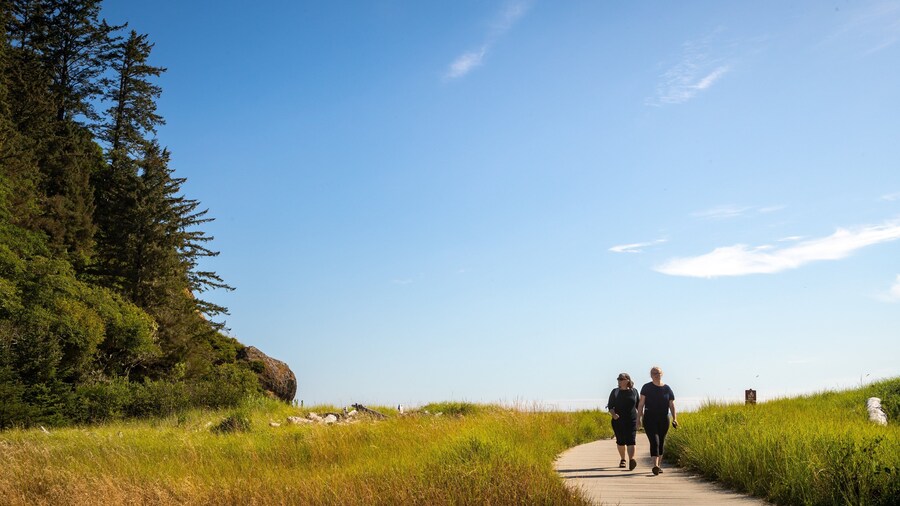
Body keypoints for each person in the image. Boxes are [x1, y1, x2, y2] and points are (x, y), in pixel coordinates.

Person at [636, 366, 677, 475]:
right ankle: (655, 465)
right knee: (655, 441)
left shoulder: (667, 388)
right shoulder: (646, 387)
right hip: (649, 418)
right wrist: (638, 419)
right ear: (651, 375)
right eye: (654, 373)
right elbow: (641, 404)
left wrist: (675, 419)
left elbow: (671, 405)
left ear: (661, 374)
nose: (656, 374)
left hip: (664, 418)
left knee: (661, 442)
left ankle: (659, 465)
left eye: (658, 373)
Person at [606, 373, 639, 470]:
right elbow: (610, 406)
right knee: (620, 441)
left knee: (631, 440)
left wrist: (640, 418)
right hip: (618, 420)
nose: (619, 381)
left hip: (632, 420)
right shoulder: (615, 392)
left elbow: (639, 406)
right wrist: (614, 415)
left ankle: (631, 460)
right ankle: (623, 459)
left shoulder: (634, 392)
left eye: (621, 379)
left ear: (628, 380)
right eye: (618, 379)